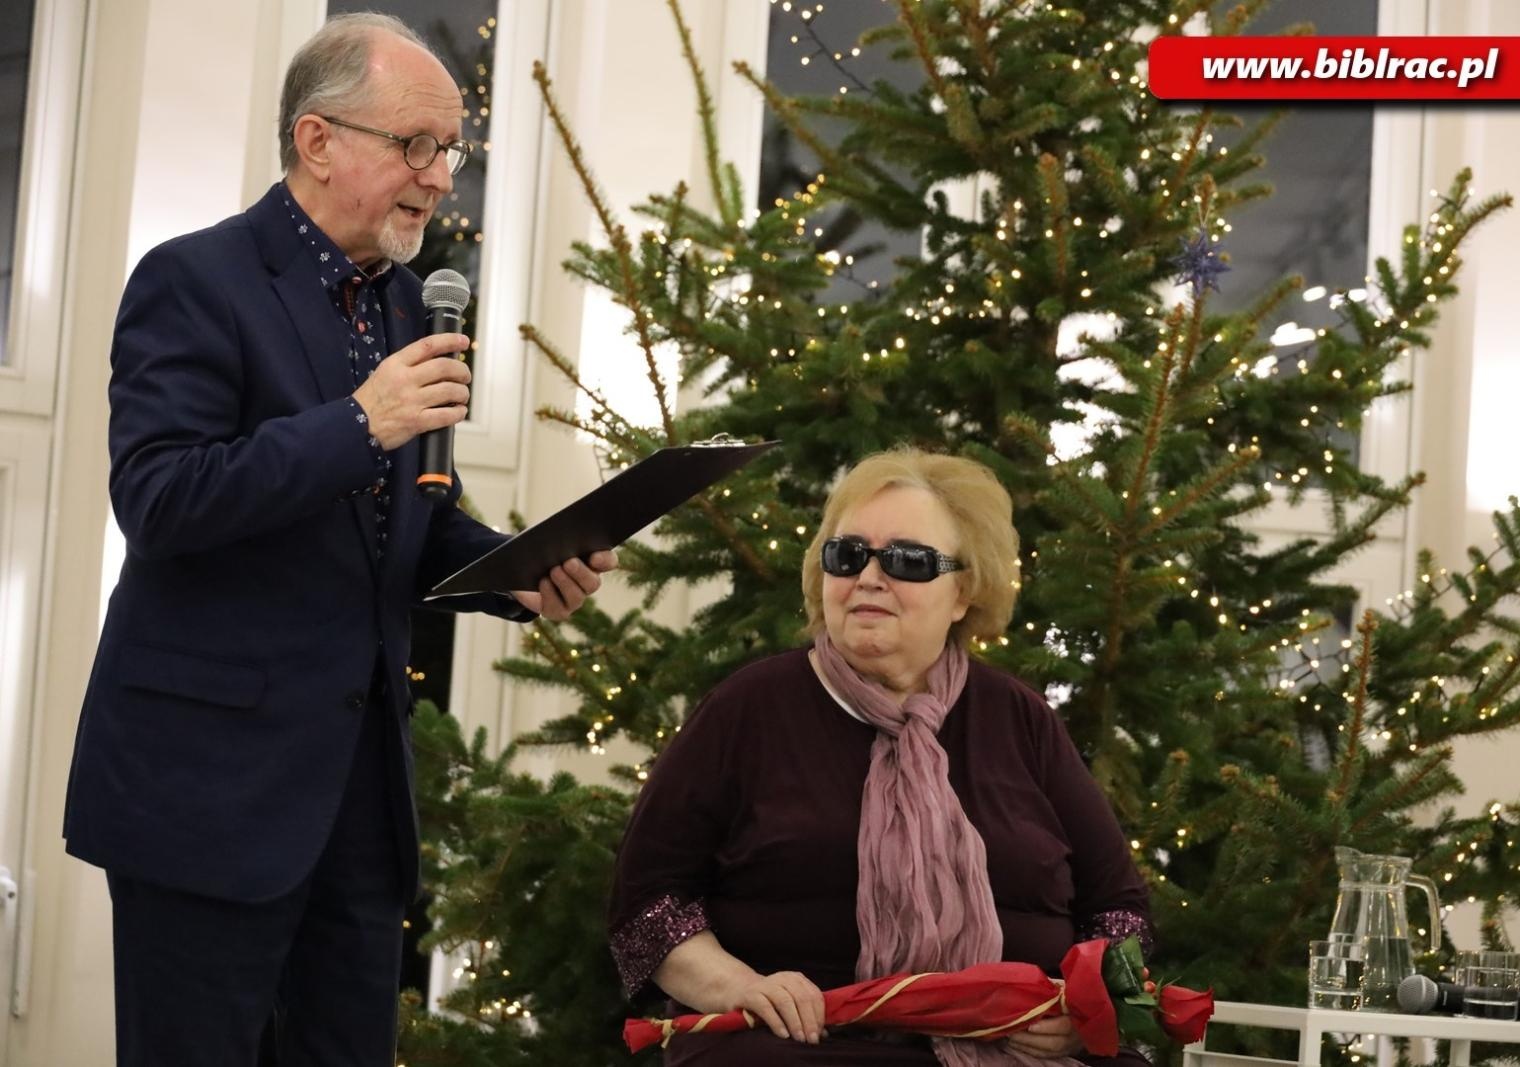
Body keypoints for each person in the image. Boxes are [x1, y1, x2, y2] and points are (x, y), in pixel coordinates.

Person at [61, 14, 615, 1066]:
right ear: (319, 141)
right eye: (414, 144)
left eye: (449, 150)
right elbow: (162, 498)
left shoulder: (406, 302)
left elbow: (401, 522)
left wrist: (518, 570)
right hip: (209, 791)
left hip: (358, 803)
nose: (440, 176)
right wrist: (359, 423)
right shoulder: (195, 280)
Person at [610, 449, 1153, 1065]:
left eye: (907, 561)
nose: (869, 577)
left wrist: (1082, 1011)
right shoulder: (747, 709)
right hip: (800, 1043)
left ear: (963, 593)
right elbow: (648, 905)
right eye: (847, 556)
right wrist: (745, 989)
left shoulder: (1021, 719)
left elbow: (1117, 909)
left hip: (1014, 1047)